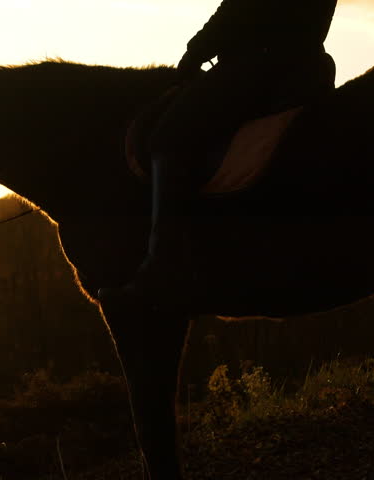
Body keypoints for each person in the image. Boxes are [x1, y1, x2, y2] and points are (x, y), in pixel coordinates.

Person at [99, 0, 338, 308]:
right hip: (306, 61)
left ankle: (164, 266)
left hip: (263, 62)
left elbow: (241, 7)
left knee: (168, 136)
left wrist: (197, 50)